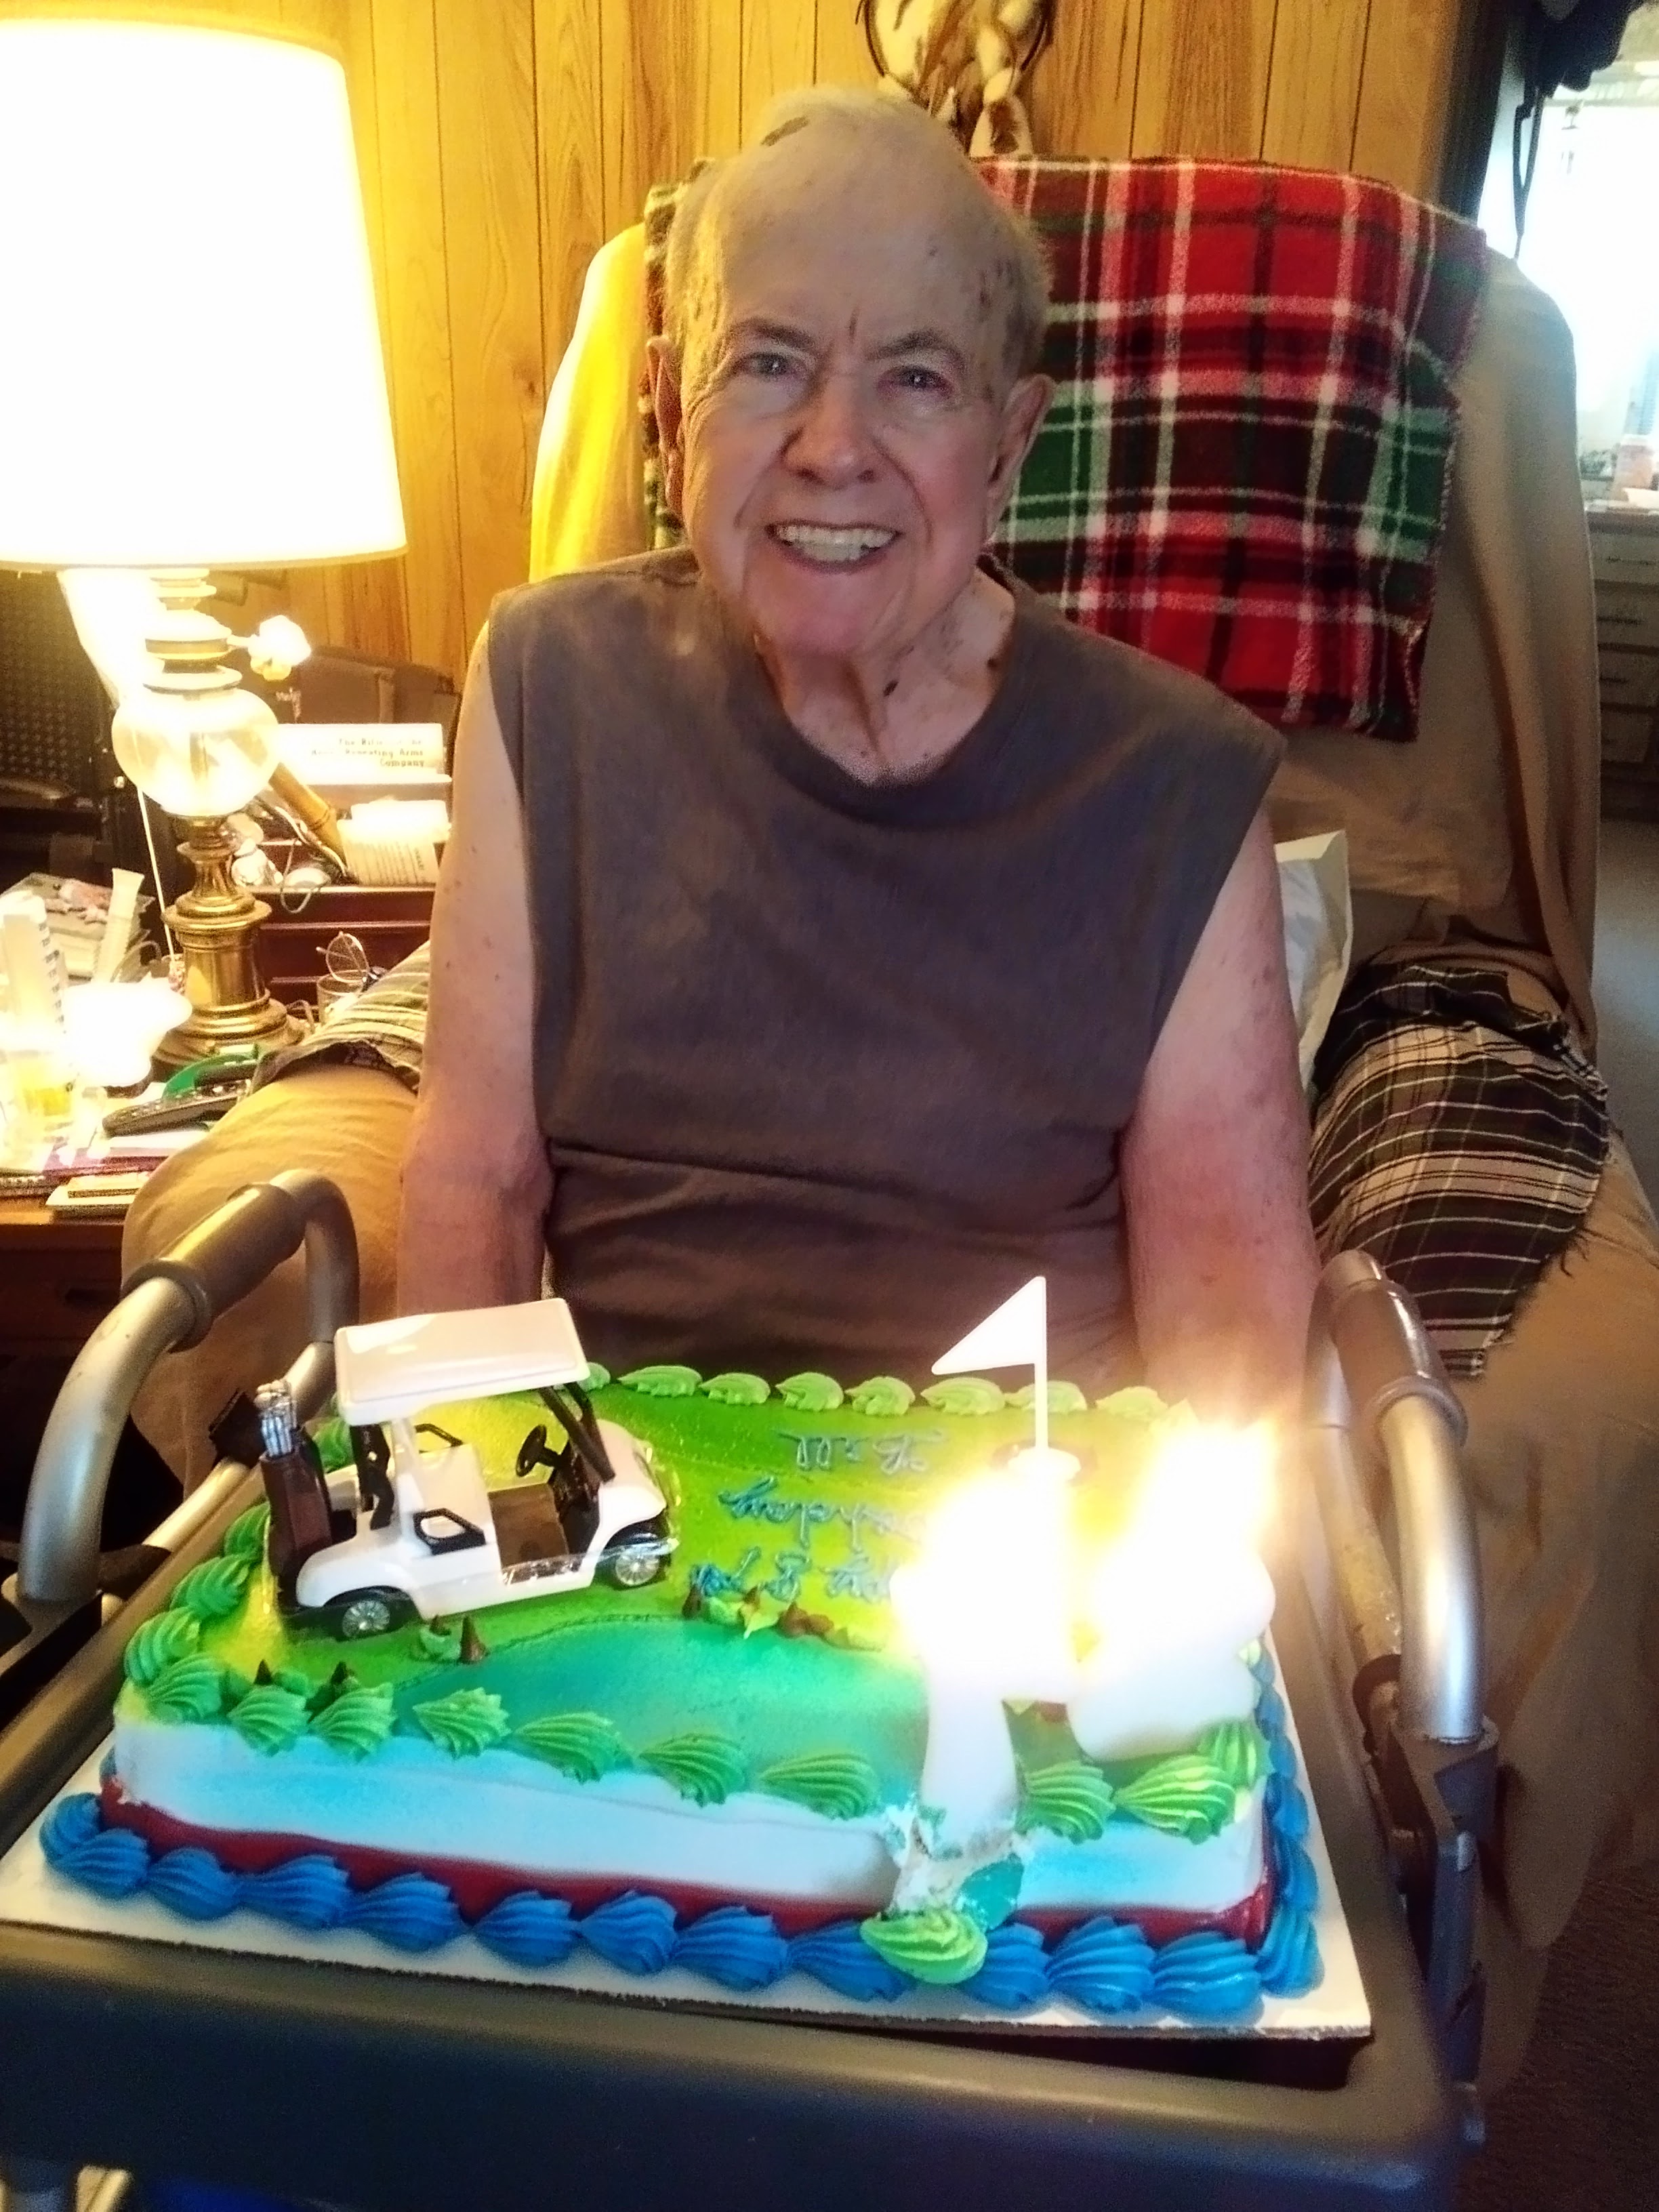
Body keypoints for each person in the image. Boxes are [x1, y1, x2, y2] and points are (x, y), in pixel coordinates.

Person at [396, 86, 1318, 1420]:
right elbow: (475, 1183)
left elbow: (1227, 1312)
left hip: (1024, 1508)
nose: (832, 450)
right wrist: (465, 1504)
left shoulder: (1176, 786)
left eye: (917, 379)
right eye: (767, 363)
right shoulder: (546, 683)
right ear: (669, 407)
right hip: (625, 1514)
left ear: (1007, 447)